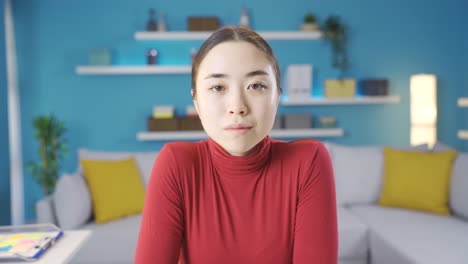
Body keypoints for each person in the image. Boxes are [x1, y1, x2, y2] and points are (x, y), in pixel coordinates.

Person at [134, 26, 338, 264]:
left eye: (256, 86)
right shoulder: (176, 164)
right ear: (196, 101)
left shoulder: (309, 161)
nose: (237, 106)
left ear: (277, 96)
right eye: (218, 87)